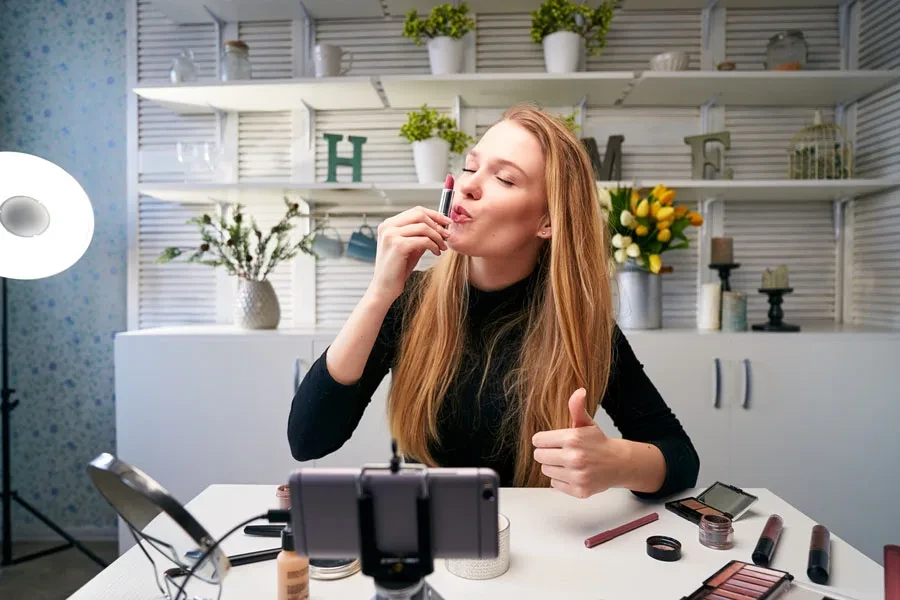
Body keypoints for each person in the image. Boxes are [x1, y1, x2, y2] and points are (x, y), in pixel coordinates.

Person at [288, 103, 699, 500]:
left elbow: (681, 457)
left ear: (548, 221)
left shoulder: (580, 325)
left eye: (504, 179)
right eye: (469, 167)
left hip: (538, 546)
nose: (467, 184)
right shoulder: (408, 299)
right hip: (430, 539)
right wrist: (379, 293)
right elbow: (308, 441)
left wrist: (615, 462)